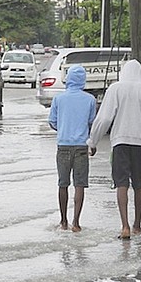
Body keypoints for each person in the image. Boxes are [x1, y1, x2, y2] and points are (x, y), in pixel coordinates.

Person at [87, 59, 141, 240]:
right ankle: (137, 225)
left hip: (119, 142)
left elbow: (104, 119)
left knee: (121, 183)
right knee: (139, 184)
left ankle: (124, 227)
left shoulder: (115, 89)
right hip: (140, 143)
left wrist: (93, 141)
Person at [48, 65, 97, 232]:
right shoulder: (90, 99)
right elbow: (92, 123)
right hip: (82, 147)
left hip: (63, 146)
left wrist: (63, 129)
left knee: (63, 184)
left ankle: (63, 222)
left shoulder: (58, 99)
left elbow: (52, 122)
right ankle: (76, 223)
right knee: (80, 185)